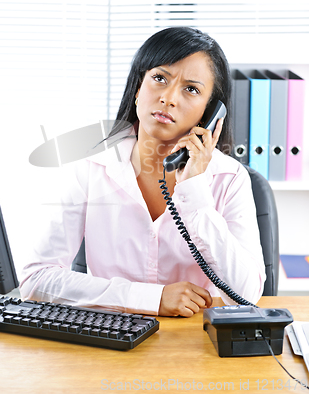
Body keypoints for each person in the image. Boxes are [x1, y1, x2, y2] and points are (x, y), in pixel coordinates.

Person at [20, 27, 266, 317]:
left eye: (191, 89)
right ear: (138, 88)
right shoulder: (93, 166)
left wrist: (196, 192)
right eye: (159, 78)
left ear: (210, 113)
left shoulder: (229, 178)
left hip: (194, 345)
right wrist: (151, 298)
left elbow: (248, 293)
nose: (169, 98)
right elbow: (35, 280)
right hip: (110, 340)